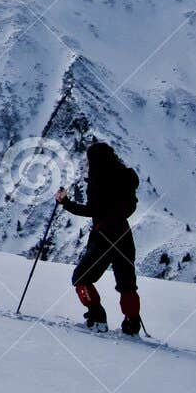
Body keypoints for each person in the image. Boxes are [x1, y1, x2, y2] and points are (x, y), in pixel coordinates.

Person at [55, 142, 143, 335]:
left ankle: (97, 316)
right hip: (124, 235)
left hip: (104, 237)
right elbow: (129, 206)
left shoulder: (99, 178)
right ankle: (132, 323)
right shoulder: (125, 177)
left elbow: (93, 210)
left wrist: (65, 203)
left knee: (81, 277)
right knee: (127, 284)